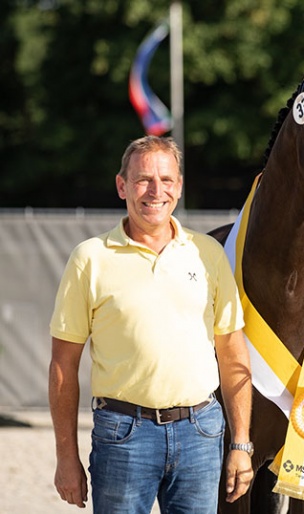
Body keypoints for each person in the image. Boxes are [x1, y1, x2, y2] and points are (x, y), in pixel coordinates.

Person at [48, 135, 254, 512]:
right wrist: (66, 456)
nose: (155, 190)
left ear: (179, 187)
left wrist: (241, 442)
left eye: (167, 180)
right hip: (123, 436)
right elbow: (63, 363)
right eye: (143, 179)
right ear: (122, 185)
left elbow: (231, 349)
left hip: (202, 433)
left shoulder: (207, 254)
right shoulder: (89, 259)